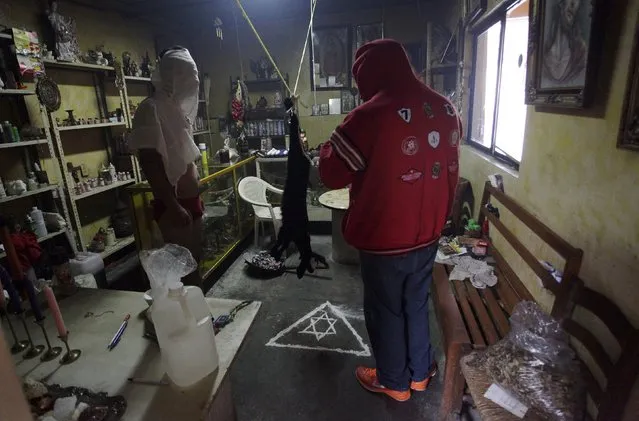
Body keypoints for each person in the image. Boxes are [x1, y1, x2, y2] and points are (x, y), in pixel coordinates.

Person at [319, 39, 461, 402]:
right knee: (415, 302)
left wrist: (327, 145)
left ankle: (395, 382)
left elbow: (332, 174)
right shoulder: (445, 109)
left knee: (385, 310)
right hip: (428, 233)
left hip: (384, 240)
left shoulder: (367, 116)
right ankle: (420, 373)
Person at [129, 46, 203, 286]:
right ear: (172, 75)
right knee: (182, 273)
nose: (191, 82)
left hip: (189, 203)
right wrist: (173, 206)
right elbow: (151, 163)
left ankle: (199, 318)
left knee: (194, 264)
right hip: (174, 207)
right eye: (186, 76)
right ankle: (187, 321)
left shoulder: (176, 111)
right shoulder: (150, 109)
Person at [543, 0, 587, 85]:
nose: (572, 17)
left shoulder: (581, 50)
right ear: (561, 5)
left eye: (576, 9)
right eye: (571, 4)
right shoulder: (544, 49)